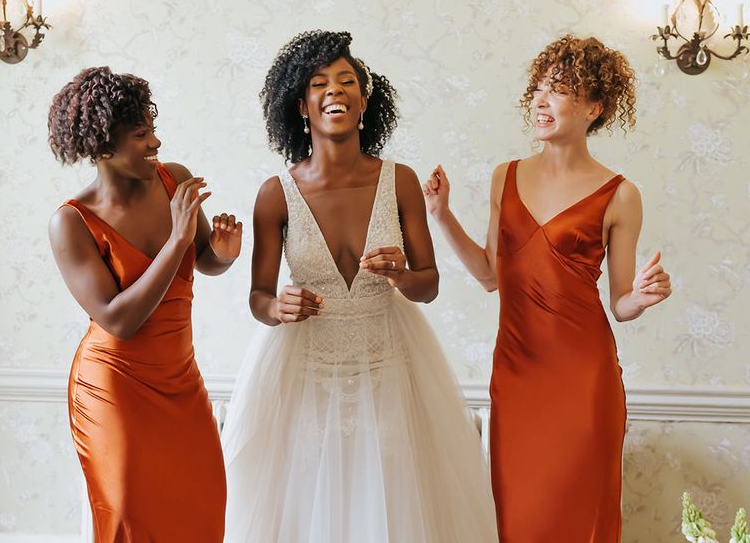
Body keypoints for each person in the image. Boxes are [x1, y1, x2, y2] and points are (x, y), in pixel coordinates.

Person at [221, 30, 497, 542]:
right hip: (303, 371)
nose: (335, 90)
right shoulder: (274, 195)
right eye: (320, 83)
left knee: (393, 499)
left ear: (365, 101)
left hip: (388, 360)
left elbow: (428, 285)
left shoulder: (402, 181)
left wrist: (399, 275)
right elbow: (258, 298)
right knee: (304, 502)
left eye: (347, 81)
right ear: (302, 106)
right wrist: (278, 306)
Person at [424, 35, 672, 543]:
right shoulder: (504, 177)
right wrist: (441, 216)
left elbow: (620, 305)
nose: (540, 100)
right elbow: (492, 275)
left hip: (584, 382)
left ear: (594, 107)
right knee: (518, 518)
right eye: (538, 89)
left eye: (558, 90)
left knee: (583, 517)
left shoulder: (621, 194)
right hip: (516, 376)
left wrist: (641, 297)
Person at [47, 66, 242, 541]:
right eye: (141, 135)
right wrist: (177, 241)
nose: (156, 143)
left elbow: (199, 263)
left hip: (181, 381)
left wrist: (222, 253)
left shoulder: (174, 180)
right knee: (131, 521)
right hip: (114, 389)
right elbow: (119, 320)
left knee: (201, 511)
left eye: (153, 130)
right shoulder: (72, 223)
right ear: (103, 146)